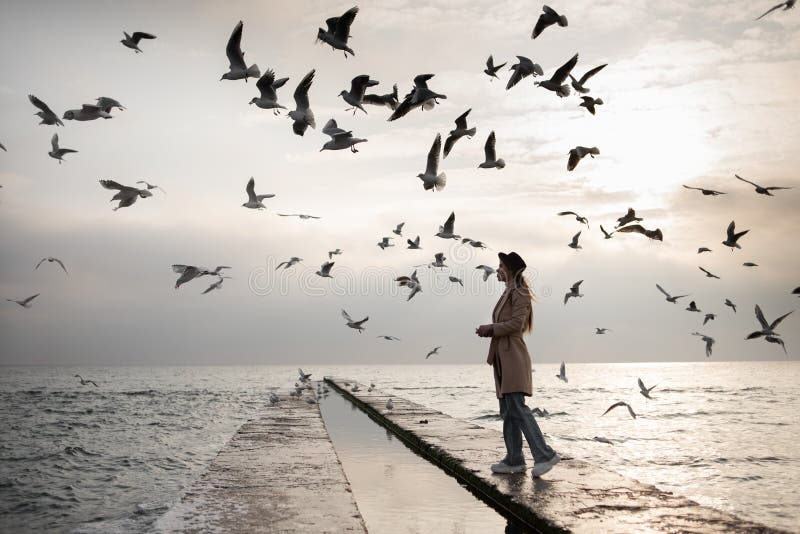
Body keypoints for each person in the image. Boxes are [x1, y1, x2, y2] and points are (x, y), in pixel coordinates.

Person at [475, 251, 560, 478]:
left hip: (512, 355)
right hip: (502, 357)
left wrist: (491, 329)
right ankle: (514, 459)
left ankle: (544, 455)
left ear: (510, 269)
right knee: (508, 411)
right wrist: (489, 330)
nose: (497, 269)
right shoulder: (508, 292)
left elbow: (516, 324)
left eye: (501, 265)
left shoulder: (519, 292)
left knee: (517, 408)